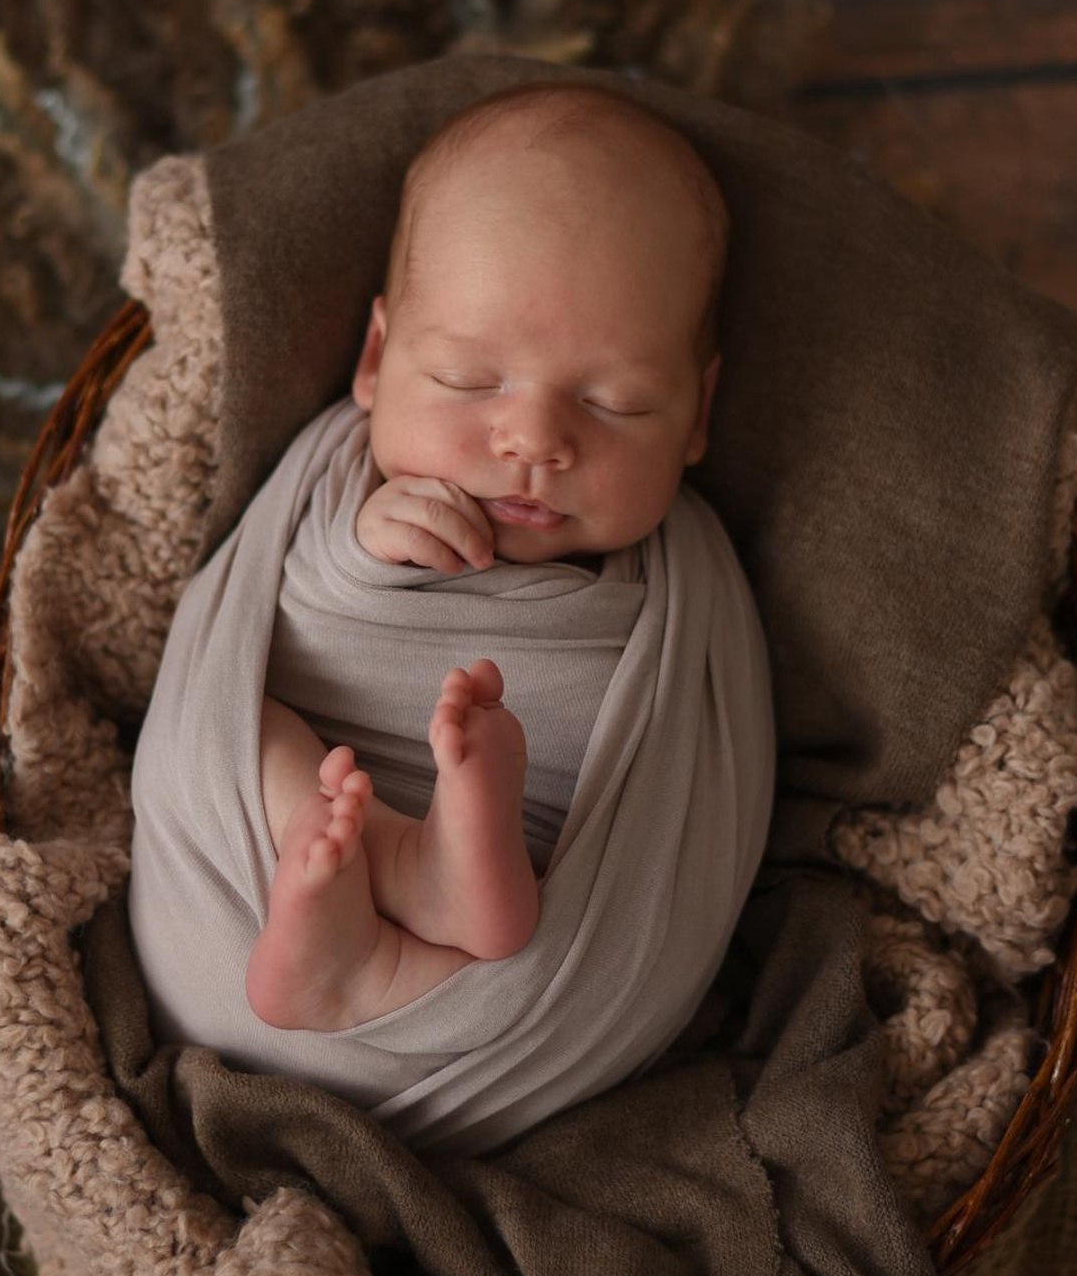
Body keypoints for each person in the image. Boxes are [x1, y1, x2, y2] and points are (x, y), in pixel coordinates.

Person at [239, 77, 741, 1033]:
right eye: (470, 381)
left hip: (538, 943)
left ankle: (414, 928)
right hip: (277, 869)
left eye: (615, 403)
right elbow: (262, 629)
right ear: (377, 360)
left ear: (697, 414)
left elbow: (700, 801)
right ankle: (395, 871)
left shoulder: (694, 592)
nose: (533, 440)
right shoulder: (339, 490)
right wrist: (359, 558)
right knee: (243, 725)